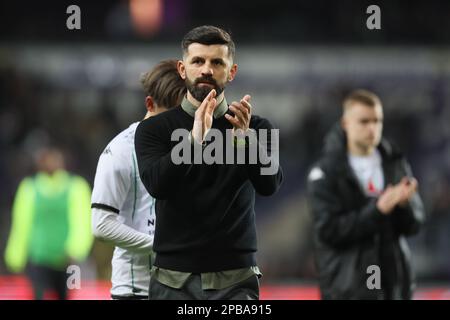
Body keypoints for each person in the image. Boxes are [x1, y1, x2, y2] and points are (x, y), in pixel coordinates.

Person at [134, 25, 283, 300]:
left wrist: (244, 141)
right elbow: (157, 185)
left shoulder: (258, 127)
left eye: (217, 62)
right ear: (182, 69)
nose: (206, 69)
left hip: (237, 279)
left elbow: (270, 185)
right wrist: (192, 141)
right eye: (198, 61)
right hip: (172, 280)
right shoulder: (153, 129)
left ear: (231, 71)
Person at [307, 89, 425, 300]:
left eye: (377, 121)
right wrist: (378, 210)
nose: (372, 128)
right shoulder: (325, 172)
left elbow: (414, 225)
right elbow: (328, 231)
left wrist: (405, 205)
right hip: (347, 290)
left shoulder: (395, 164)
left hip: (393, 287)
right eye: (364, 121)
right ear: (345, 123)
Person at [91, 60, 186, 300]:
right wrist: (160, 246)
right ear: (150, 104)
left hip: (183, 290)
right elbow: (101, 225)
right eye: (170, 116)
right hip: (136, 290)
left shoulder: (185, 148)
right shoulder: (120, 150)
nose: (177, 125)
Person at [4, 147, 93, 300]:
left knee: (68, 295)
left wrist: (76, 249)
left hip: (67, 260)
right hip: (38, 258)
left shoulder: (76, 187)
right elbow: (21, 224)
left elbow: (83, 221)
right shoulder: (29, 188)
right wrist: (16, 255)